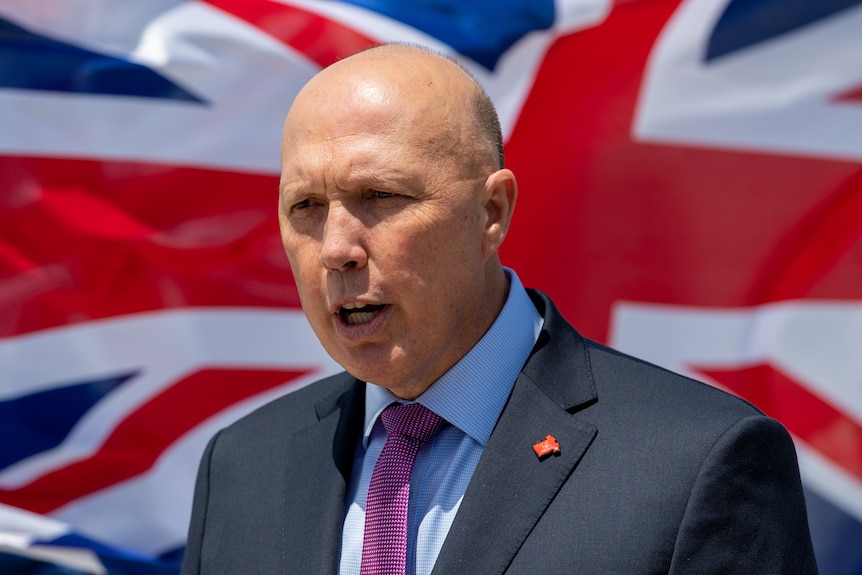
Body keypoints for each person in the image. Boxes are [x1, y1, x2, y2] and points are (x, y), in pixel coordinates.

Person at [181, 44, 818, 574]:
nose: (337, 249)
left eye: (378, 194)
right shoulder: (242, 466)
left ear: (492, 212)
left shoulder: (696, 461)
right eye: (306, 208)